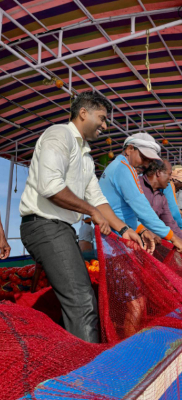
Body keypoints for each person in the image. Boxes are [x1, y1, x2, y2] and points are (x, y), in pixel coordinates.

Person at [20, 90, 143, 343]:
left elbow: (98, 200)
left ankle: (76, 357)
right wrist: (92, 212)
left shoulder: (86, 157)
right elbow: (50, 187)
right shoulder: (59, 135)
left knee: (83, 295)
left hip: (62, 229)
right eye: (102, 118)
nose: (105, 126)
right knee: (81, 299)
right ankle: (88, 374)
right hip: (43, 225)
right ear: (83, 113)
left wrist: (123, 229)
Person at [99, 133, 182, 255]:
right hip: (115, 239)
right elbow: (142, 208)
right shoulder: (125, 169)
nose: (146, 164)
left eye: (148, 160)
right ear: (130, 149)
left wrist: (142, 230)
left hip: (116, 235)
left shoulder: (116, 166)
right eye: (144, 158)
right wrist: (174, 238)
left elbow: (121, 210)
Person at [139, 159, 182, 261]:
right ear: (158, 173)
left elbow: (169, 220)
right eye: (169, 174)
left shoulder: (161, 196)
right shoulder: (136, 185)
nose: (171, 179)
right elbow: (128, 214)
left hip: (149, 243)